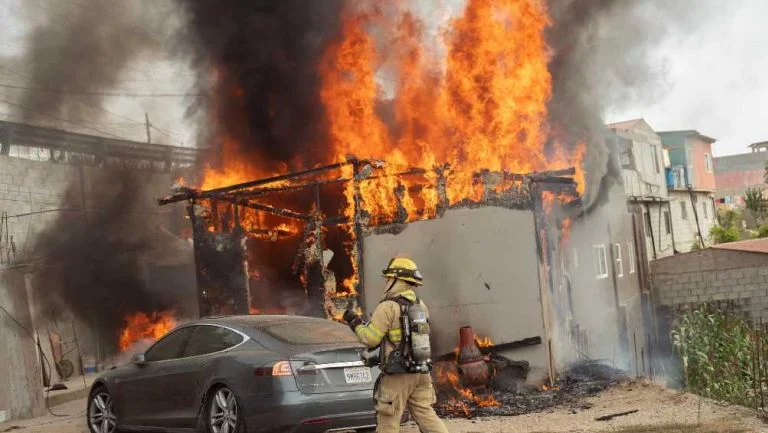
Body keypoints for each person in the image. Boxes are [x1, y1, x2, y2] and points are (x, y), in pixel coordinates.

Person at [343, 257, 448, 433]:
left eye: (389, 278)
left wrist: (356, 324)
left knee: (388, 420)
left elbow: (370, 339)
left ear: (395, 279)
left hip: (398, 374)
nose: (386, 282)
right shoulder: (420, 305)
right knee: (426, 414)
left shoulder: (388, 307)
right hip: (421, 370)